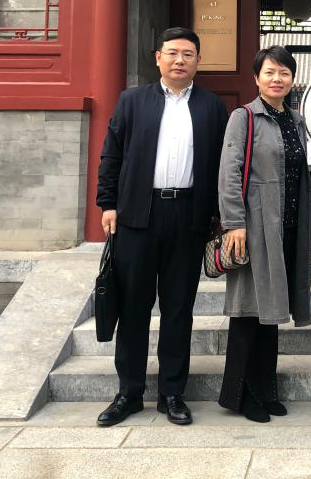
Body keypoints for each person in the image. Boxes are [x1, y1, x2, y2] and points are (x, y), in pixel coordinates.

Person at [95, 27, 228, 427]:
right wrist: (108, 203)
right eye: (172, 53)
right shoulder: (133, 101)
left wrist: (219, 215)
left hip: (188, 217)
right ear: (158, 58)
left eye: (188, 54)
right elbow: (111, 154)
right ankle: (129, 392)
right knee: (133, 307)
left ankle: (172, 392)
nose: (179, 60)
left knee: (178, 309)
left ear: (198, 61)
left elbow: (223, 165)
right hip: (138, 215)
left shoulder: (212, 107)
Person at [217, 46, 311, 423]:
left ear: (292, 79)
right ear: (256, 78)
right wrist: (234, 223)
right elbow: (229, 171)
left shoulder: (295, 119)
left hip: (287, 227)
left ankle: (266, 388)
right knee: (248, 312)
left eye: (284, 73)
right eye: (270, 72)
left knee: (270, 311)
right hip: (253, 226)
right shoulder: (244, 117)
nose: (277, 79)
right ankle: (241, 395)